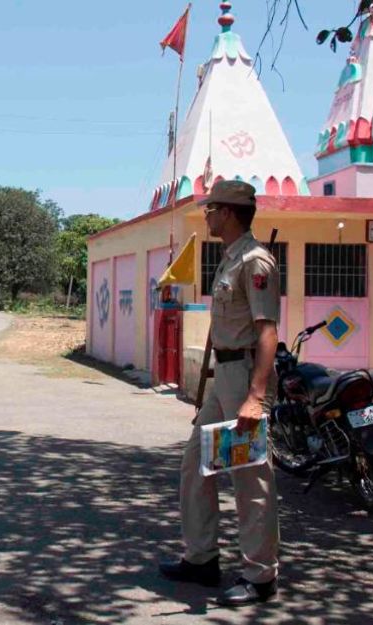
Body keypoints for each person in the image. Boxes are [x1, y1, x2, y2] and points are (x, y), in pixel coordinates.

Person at [158, 180, 281, 607]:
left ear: (228, 213)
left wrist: (255, 397)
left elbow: (267, 332)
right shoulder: (230, 258)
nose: (207, 216)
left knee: (250, 479)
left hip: (245, 378)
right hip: (222, 376)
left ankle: (260, 576)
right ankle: (201, 558)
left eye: (211, 209)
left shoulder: (255, 261)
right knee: (196, 465)